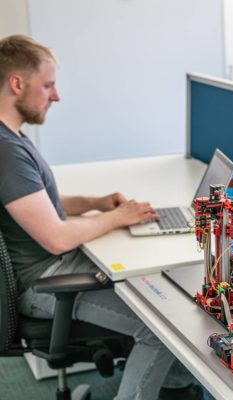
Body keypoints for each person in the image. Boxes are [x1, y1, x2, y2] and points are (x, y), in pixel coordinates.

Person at [0, 35, 202, 400]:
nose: (56, 95)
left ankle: (173, 385)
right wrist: (119, 217)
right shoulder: (6, 151)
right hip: (43, 283)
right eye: (48, 85)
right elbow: (56, 238)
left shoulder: (11, 138)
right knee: (160, 328)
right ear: (17, 84)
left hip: (54, 265)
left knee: (160, 292)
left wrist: (97, 203)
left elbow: (40, 203)